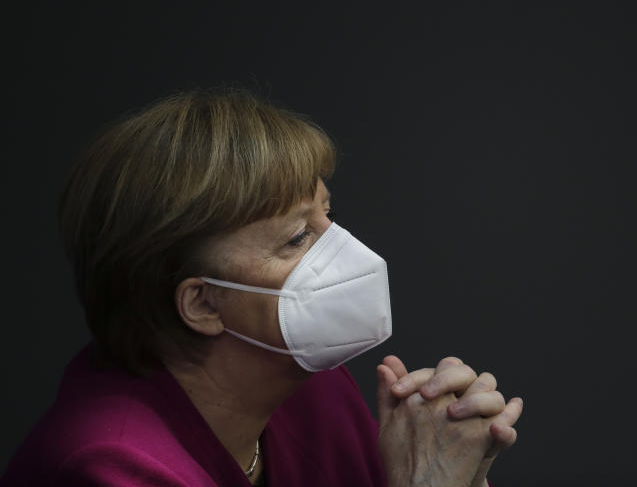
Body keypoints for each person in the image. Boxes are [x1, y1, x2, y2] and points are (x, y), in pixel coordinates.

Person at [1, 89, 523, 486]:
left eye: (329, 216)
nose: (345, 250)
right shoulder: (107, 466)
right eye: (298, 237)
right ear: (203, 302)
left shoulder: (313, 392)